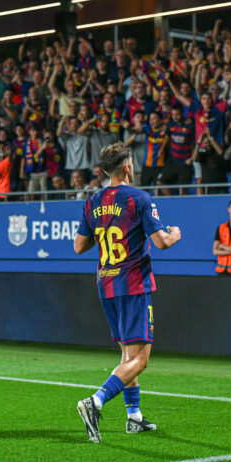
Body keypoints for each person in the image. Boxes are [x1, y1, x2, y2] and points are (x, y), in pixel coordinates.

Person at [73, 141, 181, 444]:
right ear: (126, 167)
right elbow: (160, 242)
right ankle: (95, 402)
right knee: (141, 359)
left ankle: (134, 417)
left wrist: (103, 228)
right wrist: (174, 235)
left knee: (126, 353)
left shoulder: (93, 202)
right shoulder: (139, 198)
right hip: (133, 284)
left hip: (106, 285)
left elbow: (79, 246)